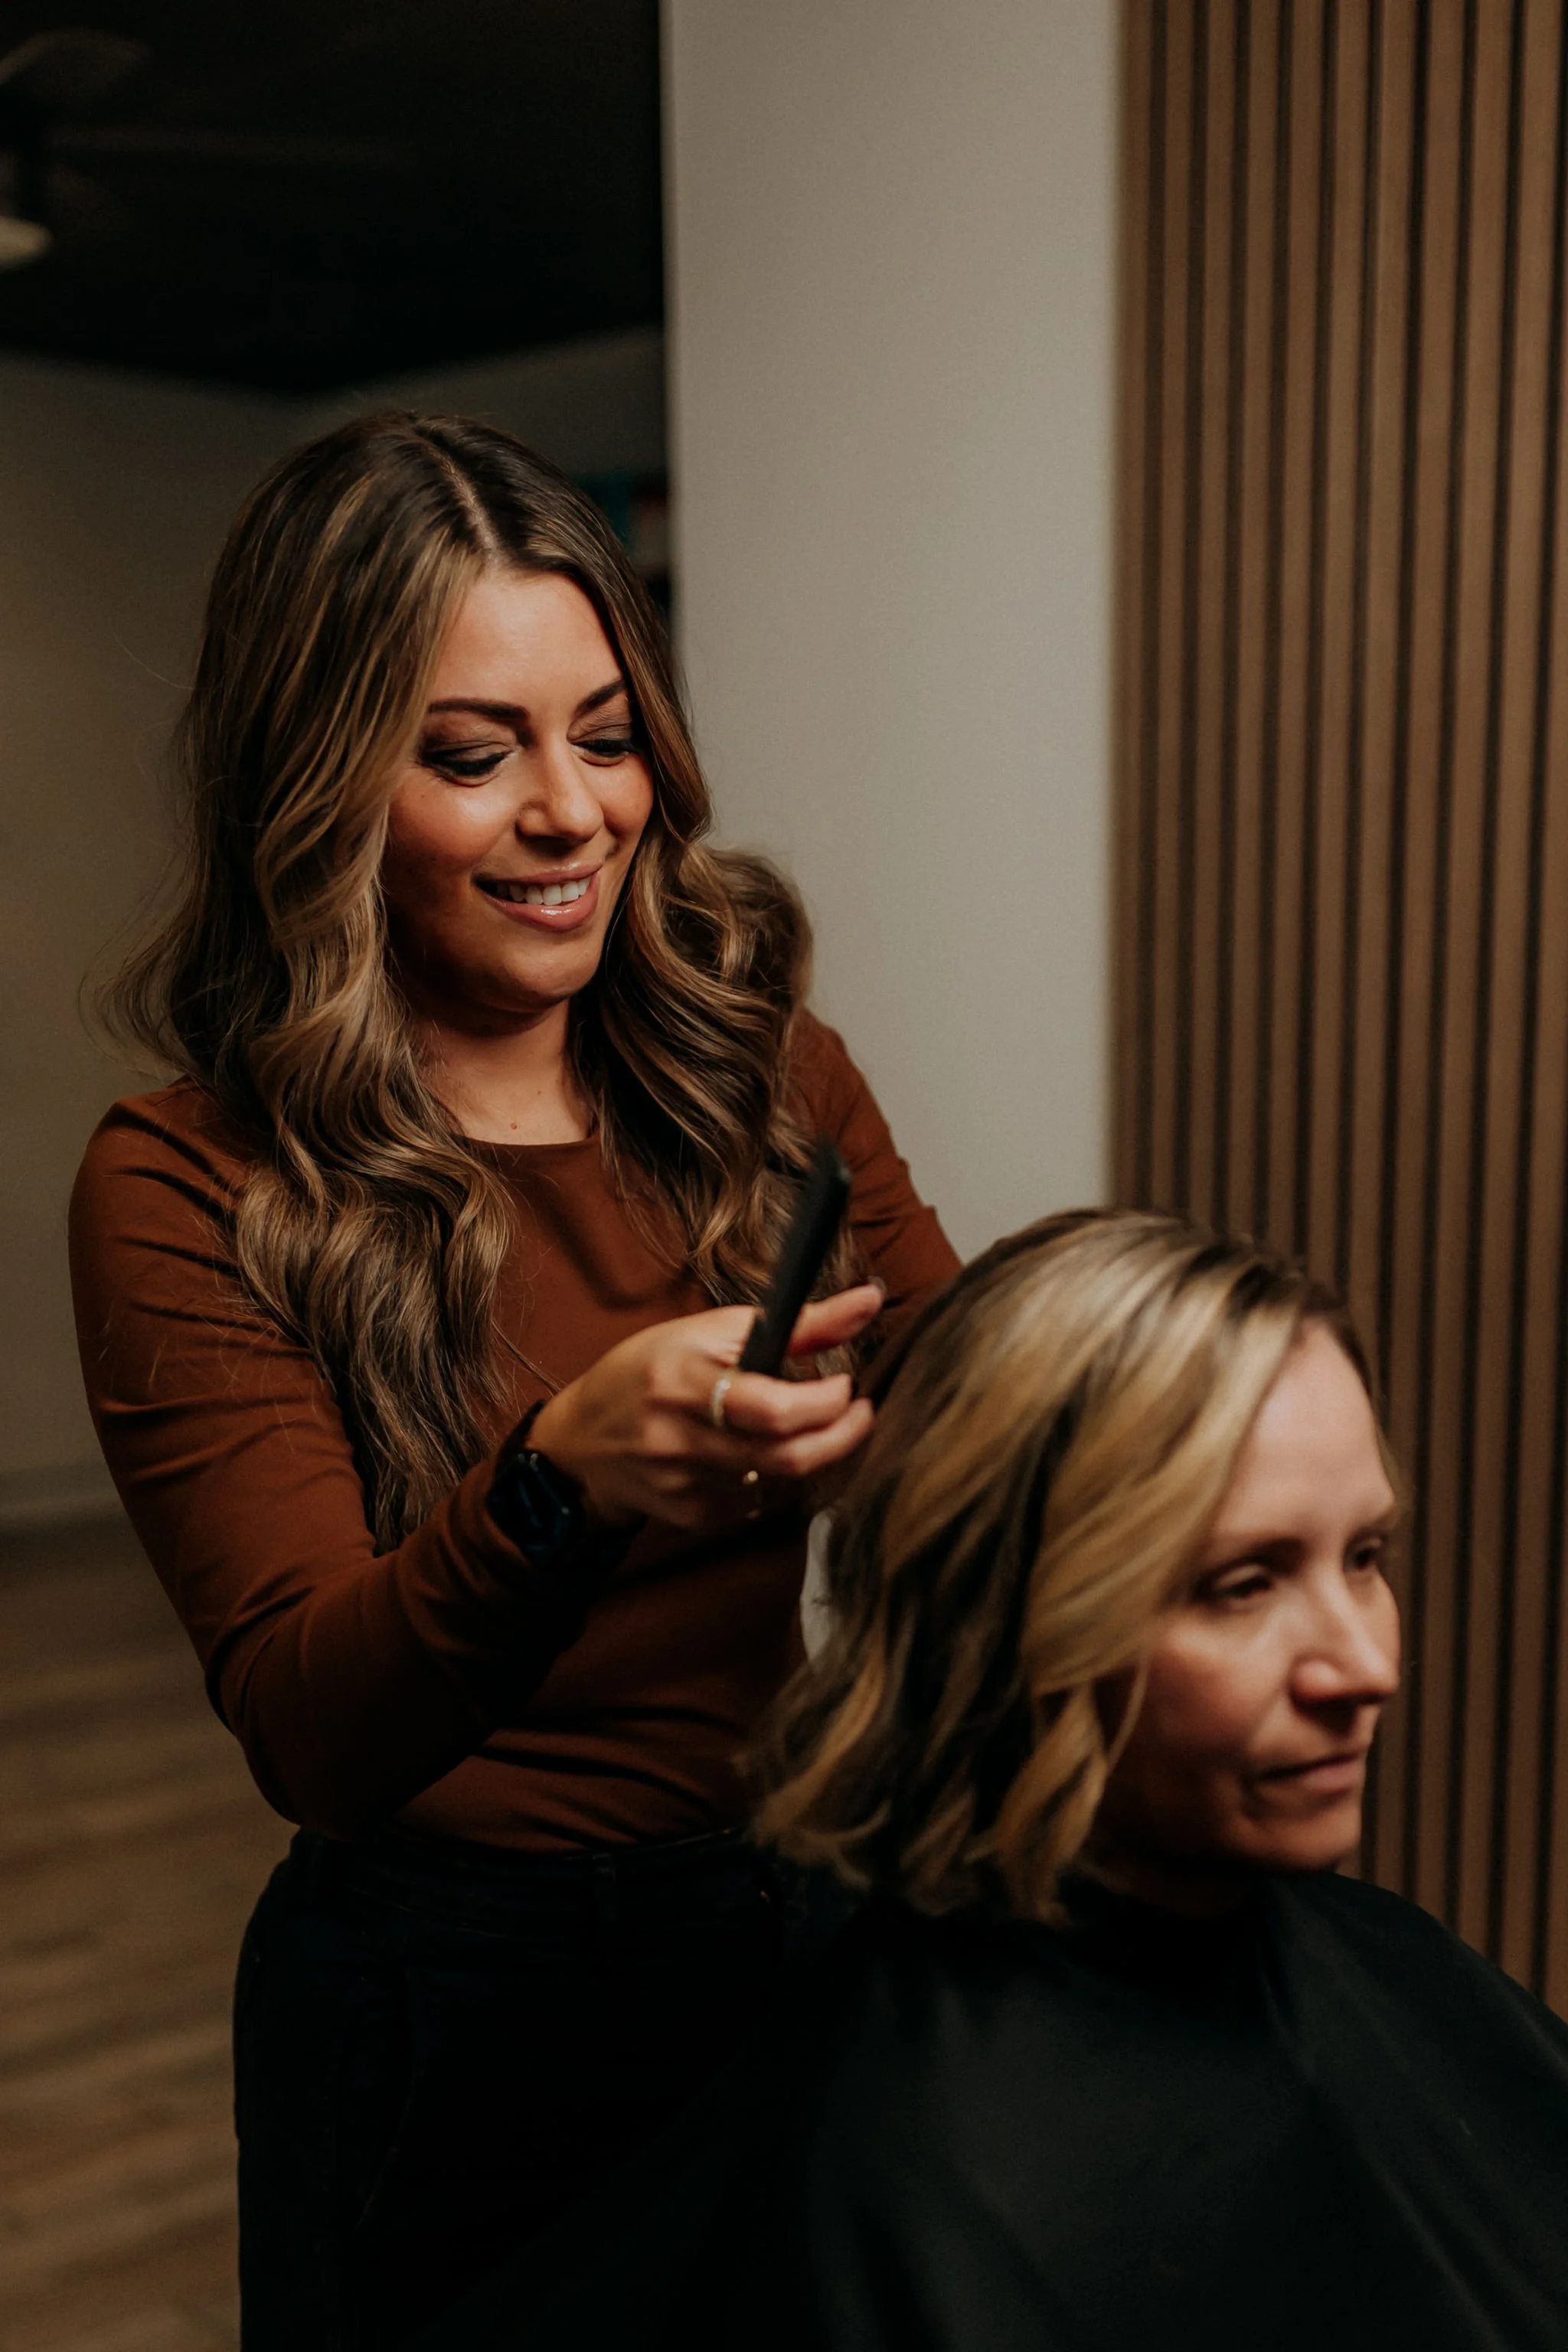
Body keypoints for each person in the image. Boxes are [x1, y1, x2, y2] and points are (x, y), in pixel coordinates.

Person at [67, 413, 958, 2348]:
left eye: (608, 734)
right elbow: (318, 1724)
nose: (572, 810)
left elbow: (973, 1415)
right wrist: (562, 1477)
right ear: (317, 784)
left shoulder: (764, 1079)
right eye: (473, 756)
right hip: (436, 2028)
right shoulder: (184, 1180)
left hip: (775, 1930)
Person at [432, 1209, 1568, 2351]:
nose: (1367, 1666)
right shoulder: (913, 2175)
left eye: (1364, 1558)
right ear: (1011, 1618)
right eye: (1243, 1584)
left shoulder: (1389, 1972)